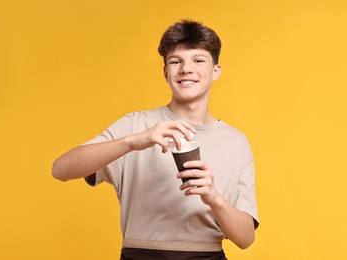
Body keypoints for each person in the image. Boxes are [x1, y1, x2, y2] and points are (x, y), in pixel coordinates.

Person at [52, 19, 259, 260]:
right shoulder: (135, 126)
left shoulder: (236, 142)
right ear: (165, 72)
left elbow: (245, 239)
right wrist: (134, 141)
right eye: (175, 61)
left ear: (215, 71)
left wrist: (214, 198)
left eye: (198, 60)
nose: (186, 69)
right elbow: (61, 170)